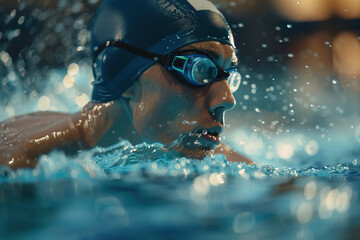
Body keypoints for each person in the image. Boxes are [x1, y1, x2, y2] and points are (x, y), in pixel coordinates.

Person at [0, 0, 253, 169]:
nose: (227, 99)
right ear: (124, 73)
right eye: (199, 70)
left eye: (227, 76)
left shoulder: (232, 166)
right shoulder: (18, 160)